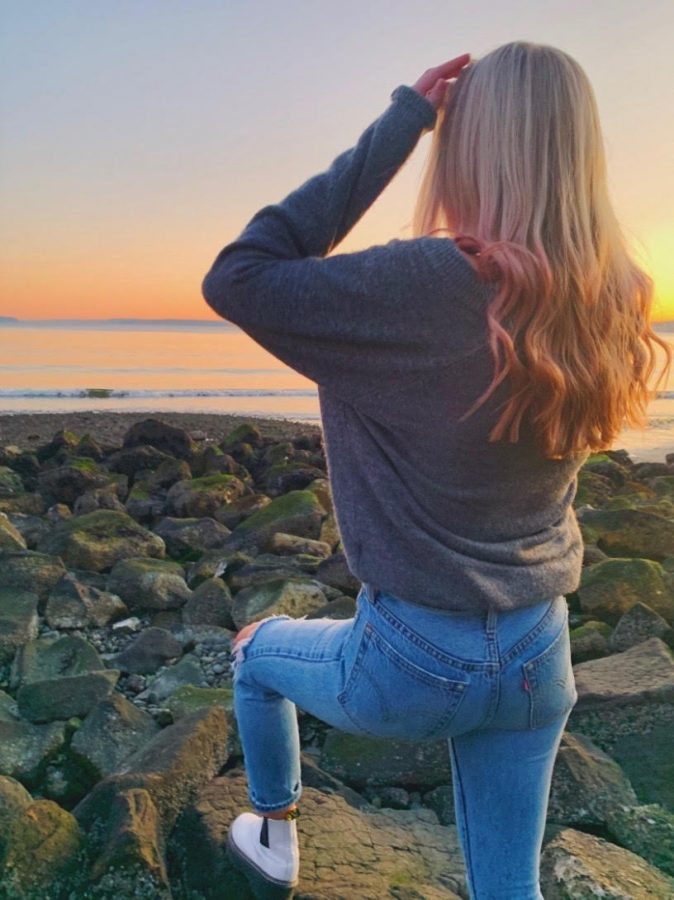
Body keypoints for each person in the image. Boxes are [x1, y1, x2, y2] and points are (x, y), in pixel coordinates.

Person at [201, 41, 671, 900]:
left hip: (412, 659)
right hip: (539, 649)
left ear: (472, 145)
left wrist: (403, 121)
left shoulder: (422, 285)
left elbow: (241, 273)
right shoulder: (609, 293)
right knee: (508, 890)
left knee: (256, 652)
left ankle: (275, 838)